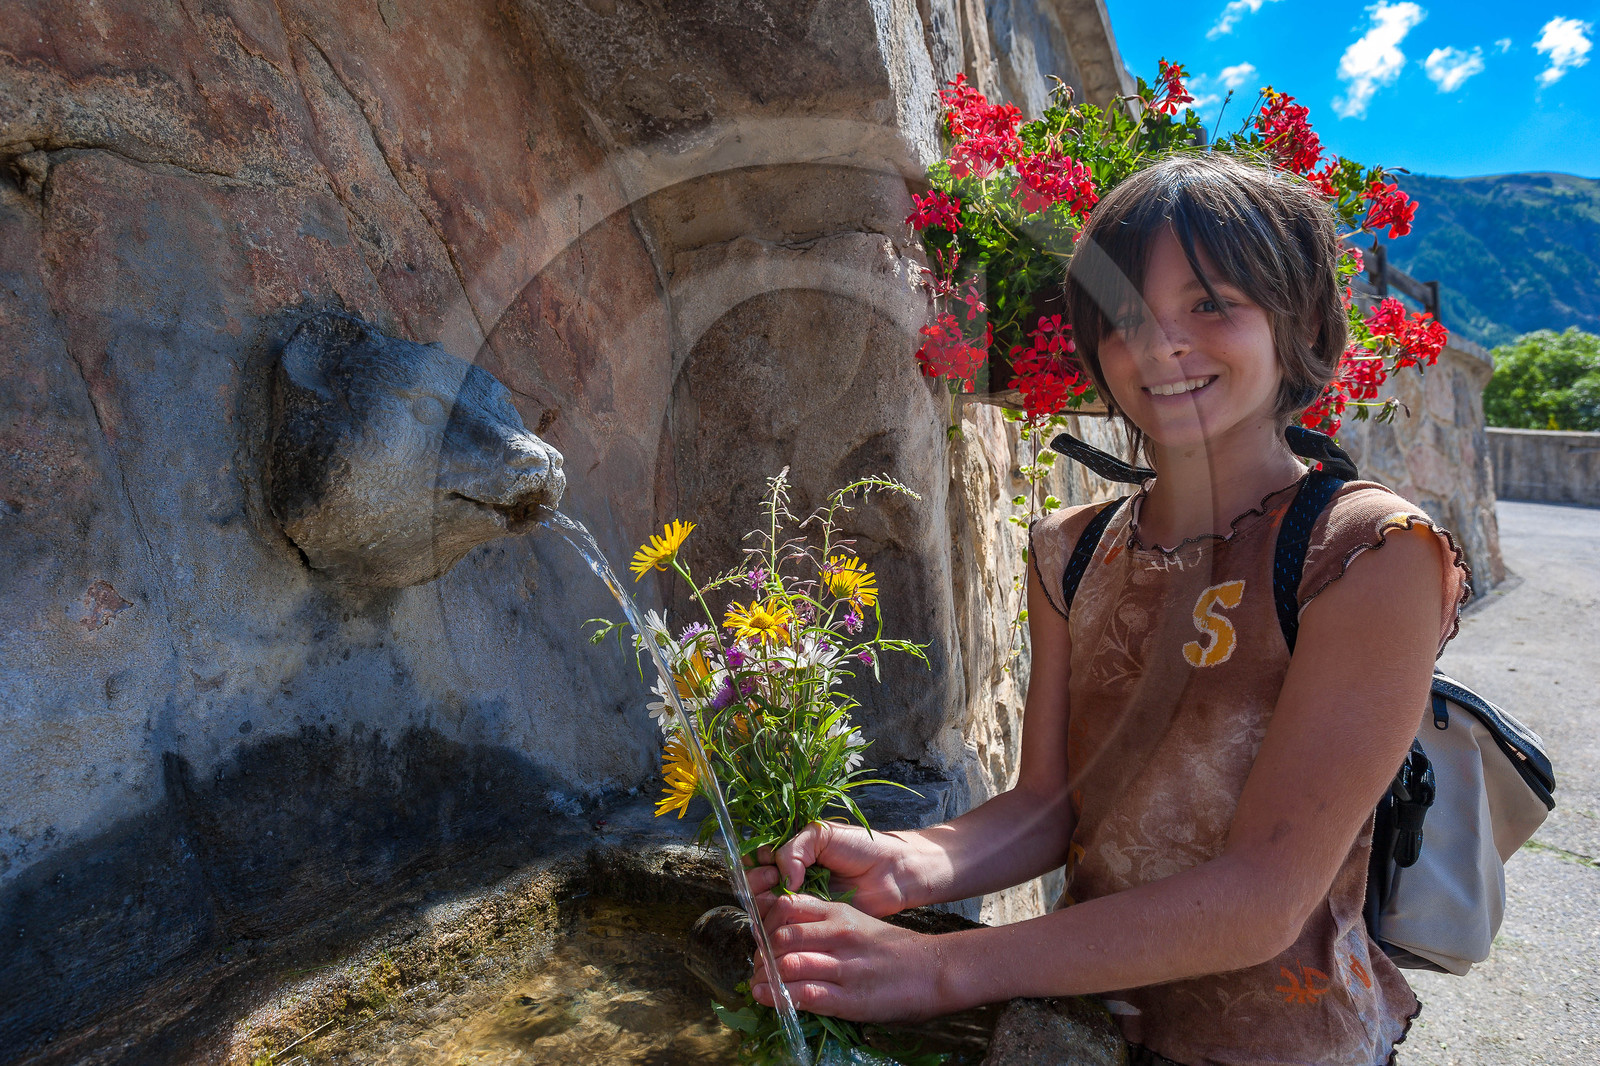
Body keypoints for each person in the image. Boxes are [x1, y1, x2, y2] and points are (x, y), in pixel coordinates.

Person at [746, 152, 1470, 1065]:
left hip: (1279, 1036)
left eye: (1212, 304)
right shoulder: (1076, 549)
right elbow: (1051, 805)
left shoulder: (1367, 551)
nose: (1160, 346)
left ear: (1305, 324)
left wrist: (942, 969)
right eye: (1126, 316)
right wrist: (905, 861)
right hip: (1085, 1023)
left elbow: (1263, 897)